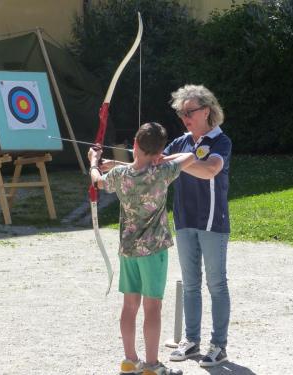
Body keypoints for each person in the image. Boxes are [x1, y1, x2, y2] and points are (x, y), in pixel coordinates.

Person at [88, 122, 195, 375]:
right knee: (152, 307)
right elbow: (189, 156)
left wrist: (94, 161)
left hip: (128, 251)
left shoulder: (119, 176)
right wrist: (161, 158)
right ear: (158, 152)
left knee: (130, 305)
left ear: (134, 145)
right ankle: (151, 365)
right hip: (154, 251)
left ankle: (129, 360)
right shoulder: (163, 171)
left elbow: (98, 182)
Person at [163, 85, 232, 368]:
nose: (184, 117)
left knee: (216, 284)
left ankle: (219, 345)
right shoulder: (180, 143)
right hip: (184, 220)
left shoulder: (220, 141)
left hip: (213, 221)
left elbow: (209, 171)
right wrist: (110, 165)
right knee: (190, 285)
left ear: (206, 110)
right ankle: (191, 341)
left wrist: (177, 163)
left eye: (189, 111)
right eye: (181, 113)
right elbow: (152, 162)